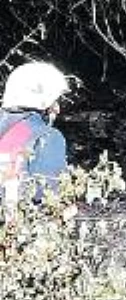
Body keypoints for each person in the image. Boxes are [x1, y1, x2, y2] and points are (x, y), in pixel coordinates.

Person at [0, 61, 70, 221]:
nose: (57, 109)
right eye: (54, 101)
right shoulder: (47, 138)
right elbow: (50, 198)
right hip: (20, 233)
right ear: (43, 102)